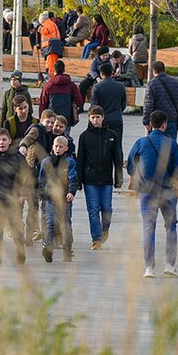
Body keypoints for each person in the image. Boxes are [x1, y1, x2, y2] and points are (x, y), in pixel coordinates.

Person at [127, 110, 178, 278]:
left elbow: (130, 165)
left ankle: (149, 268)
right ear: (165, 124)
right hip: (167, 191)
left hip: (146, 191)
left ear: (150, 125)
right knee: (171, 226)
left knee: (148, 228)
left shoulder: (140, 143)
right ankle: (170, 264)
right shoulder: (171, 143)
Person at [0, 128, 34, 265]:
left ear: (10, 141)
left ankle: (20, 248)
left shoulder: (18, 157)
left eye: (4, 140)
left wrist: (23, 193)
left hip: (13, 197)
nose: (1, 143)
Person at [75, 106, 123, 250]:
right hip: (90, 179)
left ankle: (105, 229)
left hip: (106, 178)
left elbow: (117, 158)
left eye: (98, 117)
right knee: (93, 209)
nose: (95, 120)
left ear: (103, 117)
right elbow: (81, 159)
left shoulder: (112, 135)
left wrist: (118, 178)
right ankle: (96, 238)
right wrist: (79, 181)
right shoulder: (84, 136)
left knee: (106, 207)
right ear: (89, 118)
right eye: (92, 117)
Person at [39, 135, 78, 262]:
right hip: (50, 198)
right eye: (56, 146)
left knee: (65, 224)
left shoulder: (70, 162)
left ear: (66, 148)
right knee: (49, 223)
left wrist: (71, 192)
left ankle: (67, 250)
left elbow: (73, 178)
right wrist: (42, 193)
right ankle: (48, 248)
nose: (58, 149)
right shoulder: (46, 162)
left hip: (64, 199)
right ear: (52, 147)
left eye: (61, 147)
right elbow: (41, 179)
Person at [90, 63, 128, 149]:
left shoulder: (97, 87)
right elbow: (123, 104)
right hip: (116, 118)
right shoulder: (120, 86)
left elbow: (94, 107)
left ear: (101, 74)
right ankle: (118, 162)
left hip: (102, 120)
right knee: (117, 145)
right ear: (112, 73)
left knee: (101, 146)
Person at [38, 60, 83, 128]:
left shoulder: (48, 86)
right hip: (66, 120)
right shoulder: (71, 85)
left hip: (52, 120)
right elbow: (79, 101)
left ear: (54, 70)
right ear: (64, 70)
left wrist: (41, 119)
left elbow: (43, 104)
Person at [143, 61, 178, 138]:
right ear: (164, 70)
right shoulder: (176, 83)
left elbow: (148, 104)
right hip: (172, 118)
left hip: (157, 120)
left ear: (153, 71)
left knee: (155, 146)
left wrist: (146, 120)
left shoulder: (151, 84)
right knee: (170, 146)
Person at [37, 11, 63, 77]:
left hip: (51, 46)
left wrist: (40, 29)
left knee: (51, 66)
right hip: (53, 46)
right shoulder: (51, 23)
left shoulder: (47, 24)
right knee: (50, 64)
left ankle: (51, 80)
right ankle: (50, 77)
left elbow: (45, 32)